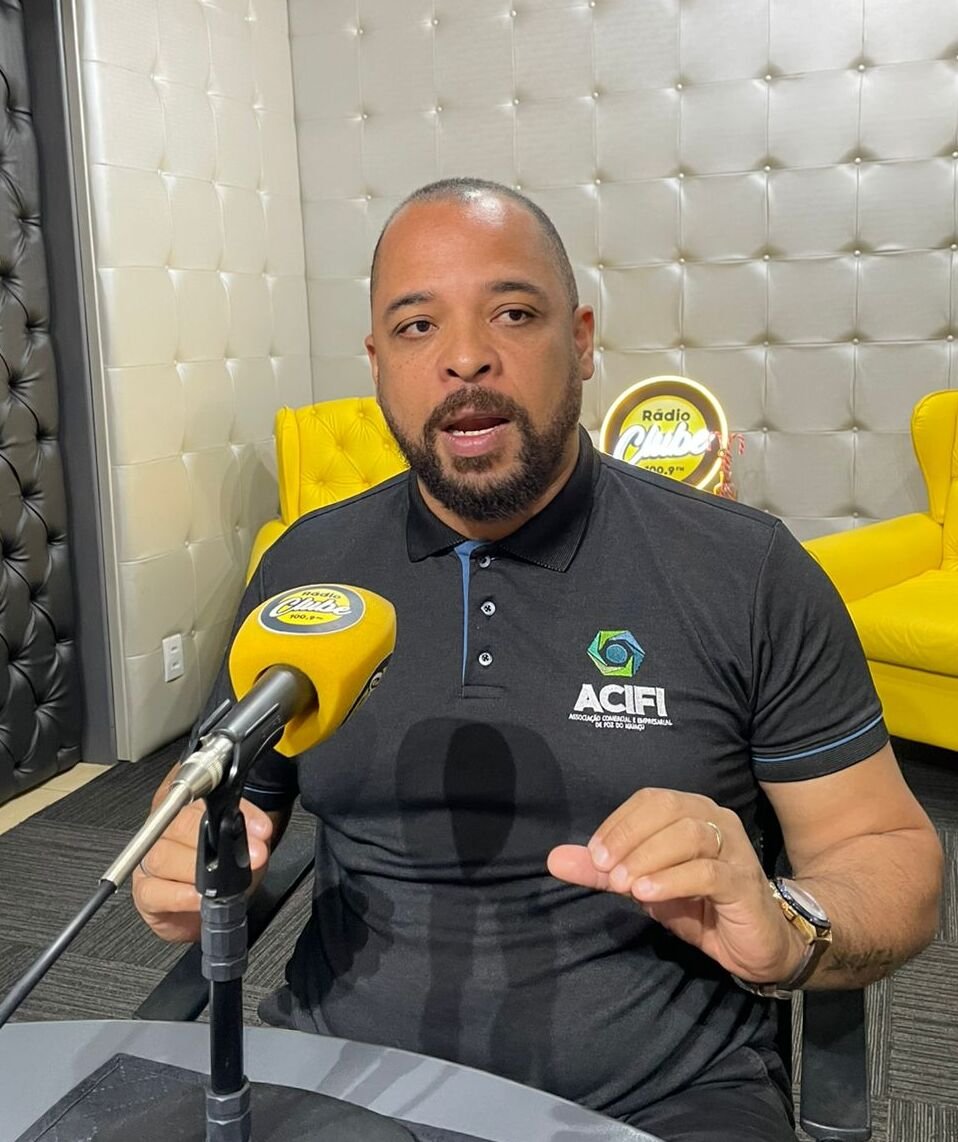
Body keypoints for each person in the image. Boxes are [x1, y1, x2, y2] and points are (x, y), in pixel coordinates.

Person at [133, 178, 943, 1142]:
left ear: (583, 340)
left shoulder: (745, 571)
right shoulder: (304, 570)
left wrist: (786, 924)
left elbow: (888, 854)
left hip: (660, 1100)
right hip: (338, 1083)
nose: (465, 357)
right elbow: (219, 798)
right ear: (378, 365)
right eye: (417, 326)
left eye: (512, 313)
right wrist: (178, 868)